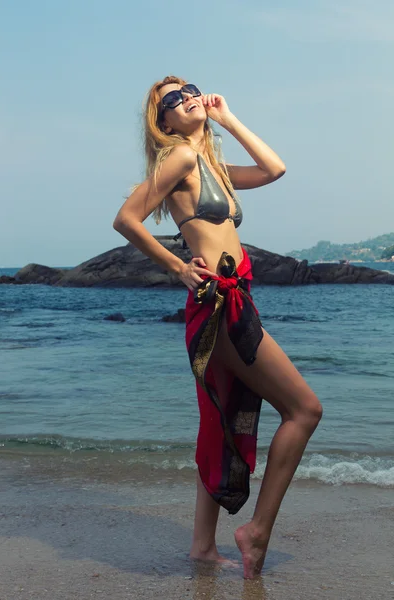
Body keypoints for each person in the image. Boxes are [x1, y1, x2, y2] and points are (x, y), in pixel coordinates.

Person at [113, 75, 323, 579]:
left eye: (190, 88)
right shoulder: (181, 158)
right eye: (172, 99)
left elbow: (275, 168)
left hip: (235, 298)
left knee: (221, 419)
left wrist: (226, 118)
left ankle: (202, 547)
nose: (186, 97)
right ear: (162, 121)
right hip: (217, 302)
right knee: (305, 409)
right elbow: (126, 218)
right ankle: (257, 530)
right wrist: (179, 267)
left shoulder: (210, 166)